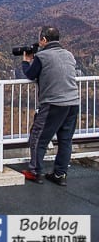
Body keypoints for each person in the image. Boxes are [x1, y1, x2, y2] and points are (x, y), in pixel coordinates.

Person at [20, 26, 79, 186]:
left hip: (54, 103)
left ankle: (35, 172)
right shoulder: (69, 55)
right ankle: (60, 174)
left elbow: (31, 74)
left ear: (44, 40)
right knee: (65, 140)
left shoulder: (43, 56)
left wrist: (26, 61)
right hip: (73, 102)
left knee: (38, 138)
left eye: (40, 39)